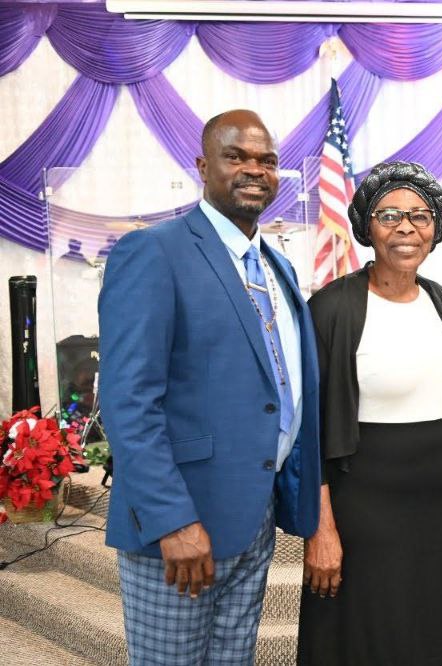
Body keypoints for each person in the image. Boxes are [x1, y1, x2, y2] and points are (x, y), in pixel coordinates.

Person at [98, 109, 321, 664]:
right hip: (181, 523)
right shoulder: (155, 252)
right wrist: (172, 520)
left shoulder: (278, 266)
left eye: (266, 160)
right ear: (202, 166)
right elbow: (128, 402)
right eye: (236, 156)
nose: (254, 170)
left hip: (253, 518)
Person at [297, 161, 442, 665]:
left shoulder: (440, 299)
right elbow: (308, 431)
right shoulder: (332, 309)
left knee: (438, 638)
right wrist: (321, 529)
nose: (406, 228)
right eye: (390, 215)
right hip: (364, 512)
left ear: (435, 230)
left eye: (420, 216)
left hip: (441, 510)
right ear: (367, 226)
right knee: (370, 642)